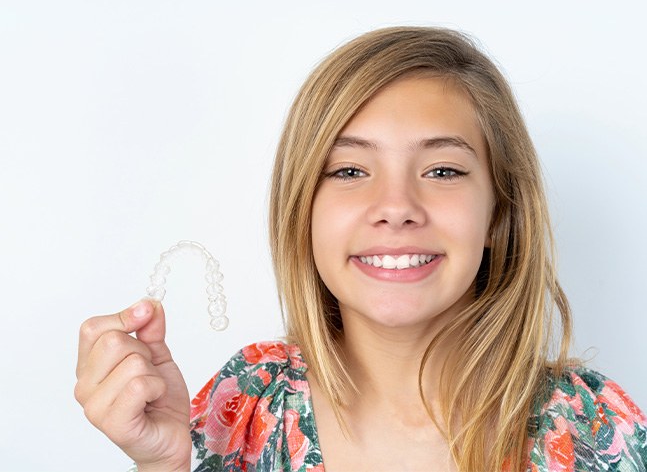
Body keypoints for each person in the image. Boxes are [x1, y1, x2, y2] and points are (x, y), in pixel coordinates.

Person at [74, 26, 647, 472]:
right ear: (302, 209)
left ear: (500, 212)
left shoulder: (591, 426)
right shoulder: (247, 407)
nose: (396, 205)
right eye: (349, 169)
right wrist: (159, 464)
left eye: (442, 170)